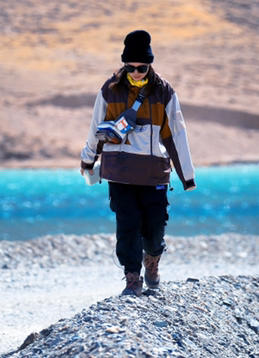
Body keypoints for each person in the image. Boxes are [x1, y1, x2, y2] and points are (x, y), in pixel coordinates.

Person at [80, 29, 196, 296]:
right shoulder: (109, 89)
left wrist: (187, 176)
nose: (135, 72)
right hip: (119, 172)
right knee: (127, 227)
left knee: (154, 230)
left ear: (150, 65)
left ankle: (152, 260)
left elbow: (176, 134)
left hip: (154, 173)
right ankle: (132, 278)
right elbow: (96, 128)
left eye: (141, 68)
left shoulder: (164, 92)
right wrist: (88, 159)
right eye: (129, 67)